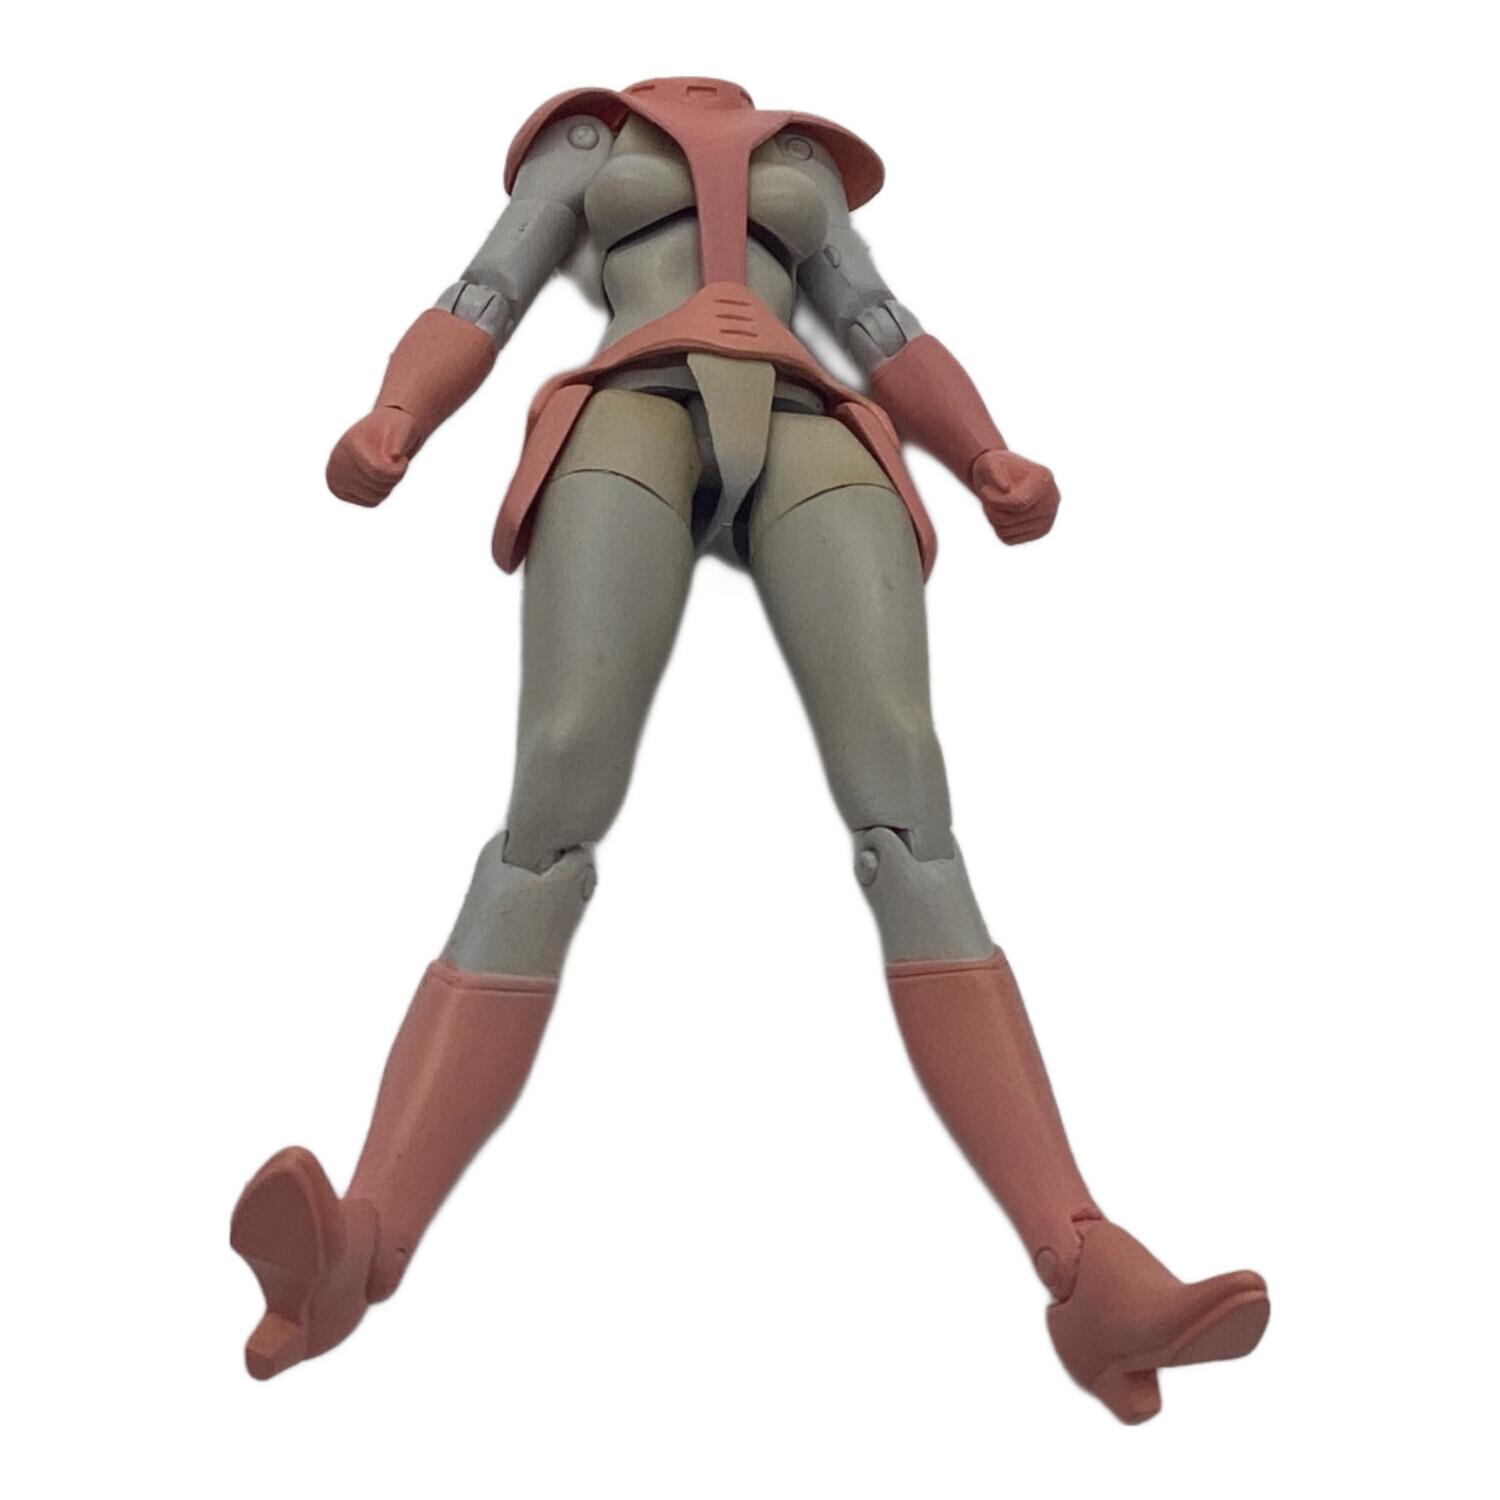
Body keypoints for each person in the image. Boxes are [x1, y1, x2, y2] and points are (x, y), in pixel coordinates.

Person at [231, 77, 1268, 1422]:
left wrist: (986, 454)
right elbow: (484, 291)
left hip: (807, 420)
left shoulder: (803, 161)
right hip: (631, 402)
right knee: (558, 783)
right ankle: (361, 1247)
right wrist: (399, 415)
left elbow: (882, 327)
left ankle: (1087, 1269)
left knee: (908, 797)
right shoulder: (590, 139)